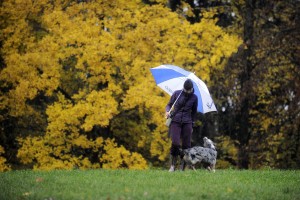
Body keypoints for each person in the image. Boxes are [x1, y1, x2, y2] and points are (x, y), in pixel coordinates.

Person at [165, 79, 198, 172]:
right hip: (175, 121)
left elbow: (194, 113)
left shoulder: (194, 98)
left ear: (192, 89)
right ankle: (172, 165)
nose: (187, 91)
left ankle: (182, 167)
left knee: (186, 145)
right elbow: (169, 105)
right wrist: (167, 111)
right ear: (183, 88)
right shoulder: (177, 93)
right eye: (186, 89)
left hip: (187, 122)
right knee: (175, 142)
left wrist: (192, 124)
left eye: (189, 90)